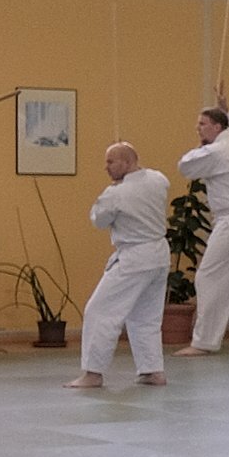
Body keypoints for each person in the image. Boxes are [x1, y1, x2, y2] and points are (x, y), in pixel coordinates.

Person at [65, 143, 169, 388]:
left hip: (134, 257)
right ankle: (153, 370)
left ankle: (92, 373)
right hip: (159, 255)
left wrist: (111, 192)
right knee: (146, 317)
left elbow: (99, 221)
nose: (106, 167)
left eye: (111, 162)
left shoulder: (115, 194)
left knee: (100, 311)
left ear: (127, 162)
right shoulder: (158, 179)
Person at [174, 86, 229, 357]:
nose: (197, 128)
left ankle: (204, 342)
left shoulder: (217, 151)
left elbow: (185, 166)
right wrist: (226, 109)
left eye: (202, 124)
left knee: (207, 278)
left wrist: (204, 144)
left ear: (215, 126)